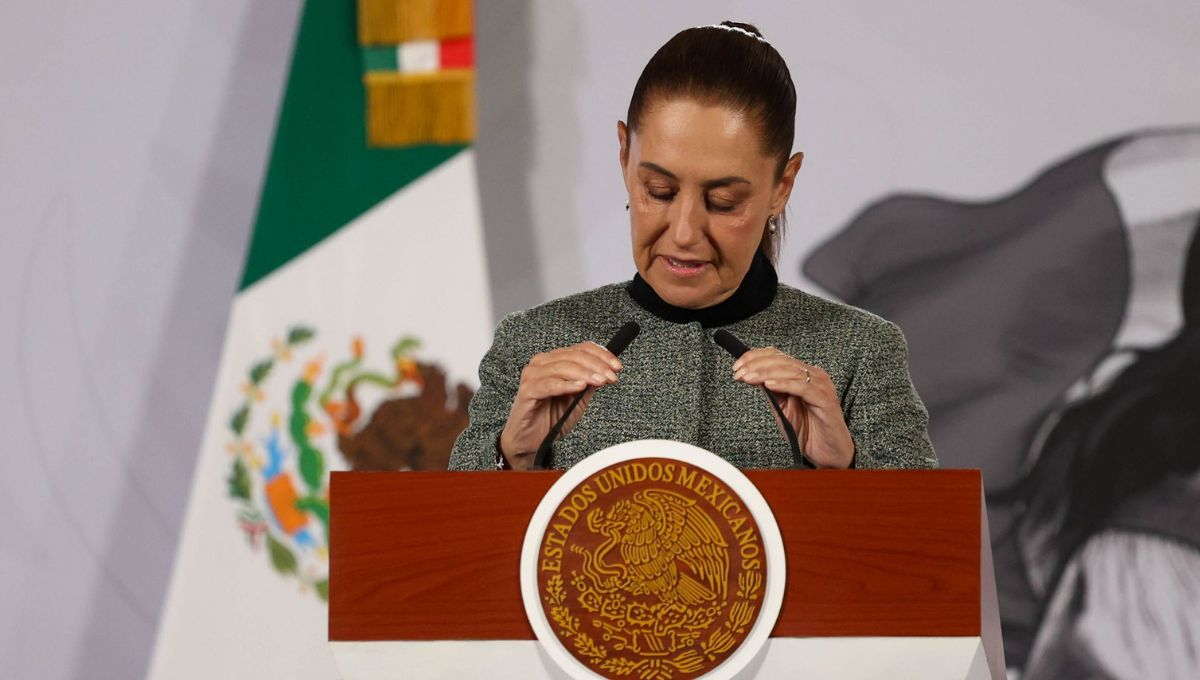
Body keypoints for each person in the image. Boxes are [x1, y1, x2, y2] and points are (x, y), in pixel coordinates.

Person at [449, 21, 936, 472]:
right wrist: (511, 458)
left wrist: (846, 471)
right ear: (624, 156)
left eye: (724, 202)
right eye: (659, 191)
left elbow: (930, 531)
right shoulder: (531, 344)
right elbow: (450, 527)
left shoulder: (861, 353)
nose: (684, 232)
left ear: (782, 186)